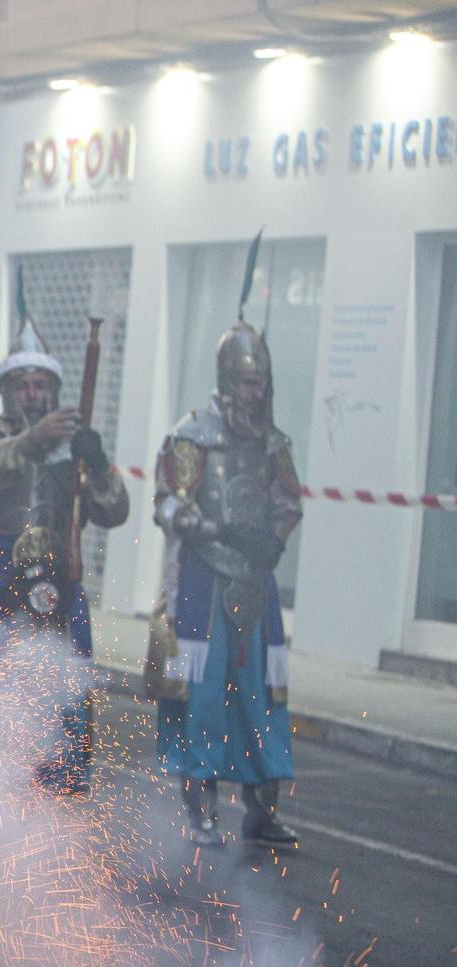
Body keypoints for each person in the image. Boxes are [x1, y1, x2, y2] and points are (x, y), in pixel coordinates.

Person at [0, 304, 130, 795]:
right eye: (23, 385)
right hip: (0, 583)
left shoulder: (74, 449)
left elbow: (114, 511)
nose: (33, 393)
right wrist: (28, 442)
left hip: (60, 585)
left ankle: (62, 786)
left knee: (64, 688)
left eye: (40, 384)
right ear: (7, 392)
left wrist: (100, 463)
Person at [146, 254, 301, 849]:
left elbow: (289, 502)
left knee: (264, 691)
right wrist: (213, 528)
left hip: (256, 585)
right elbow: (166, 503)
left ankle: (262, 809)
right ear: (224, 379)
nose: (255, 390)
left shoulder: (272, 443)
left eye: (260, 380)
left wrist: (273, 539)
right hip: (202, 583)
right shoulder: (193, 436)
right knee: (200, 692)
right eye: (246, 380)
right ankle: (199, 803)